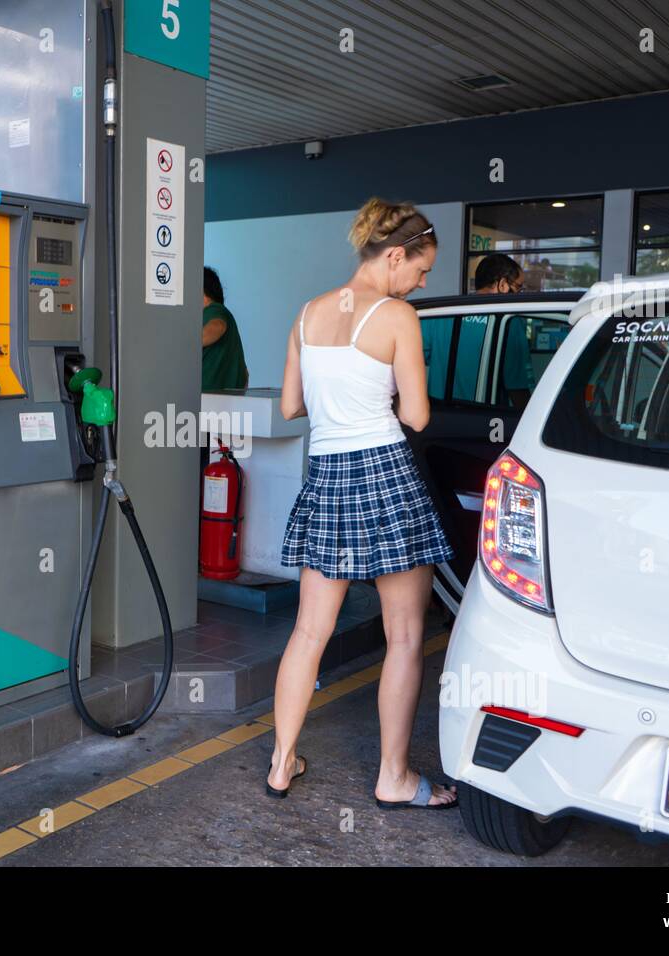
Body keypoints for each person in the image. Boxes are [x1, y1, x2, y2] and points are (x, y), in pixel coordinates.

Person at [270, 198, 457, 809]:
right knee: (405, 636)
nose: (422, 282)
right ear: (396, 255)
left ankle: (280, 763)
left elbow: (290, 407)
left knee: (307, 632)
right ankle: (393, 778)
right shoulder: (398, 316)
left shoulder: (307, 314)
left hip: (325, 477)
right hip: (384, 476)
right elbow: (417, 416)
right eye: (422, 270)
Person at [423, 252, 534, 408]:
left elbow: (414, 358)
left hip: (439, 417)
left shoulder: (442, 314)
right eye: (518, 288)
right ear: (502, 285)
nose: (519, 295)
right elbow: (517, 388)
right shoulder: (508, 322)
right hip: (485, 422)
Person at [202, 267, 249, 391]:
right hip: (228, 403)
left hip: (208, 402)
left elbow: (218, 326)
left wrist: (181, 345)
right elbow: (245, 374)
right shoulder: (224, 313)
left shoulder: (213, 310)